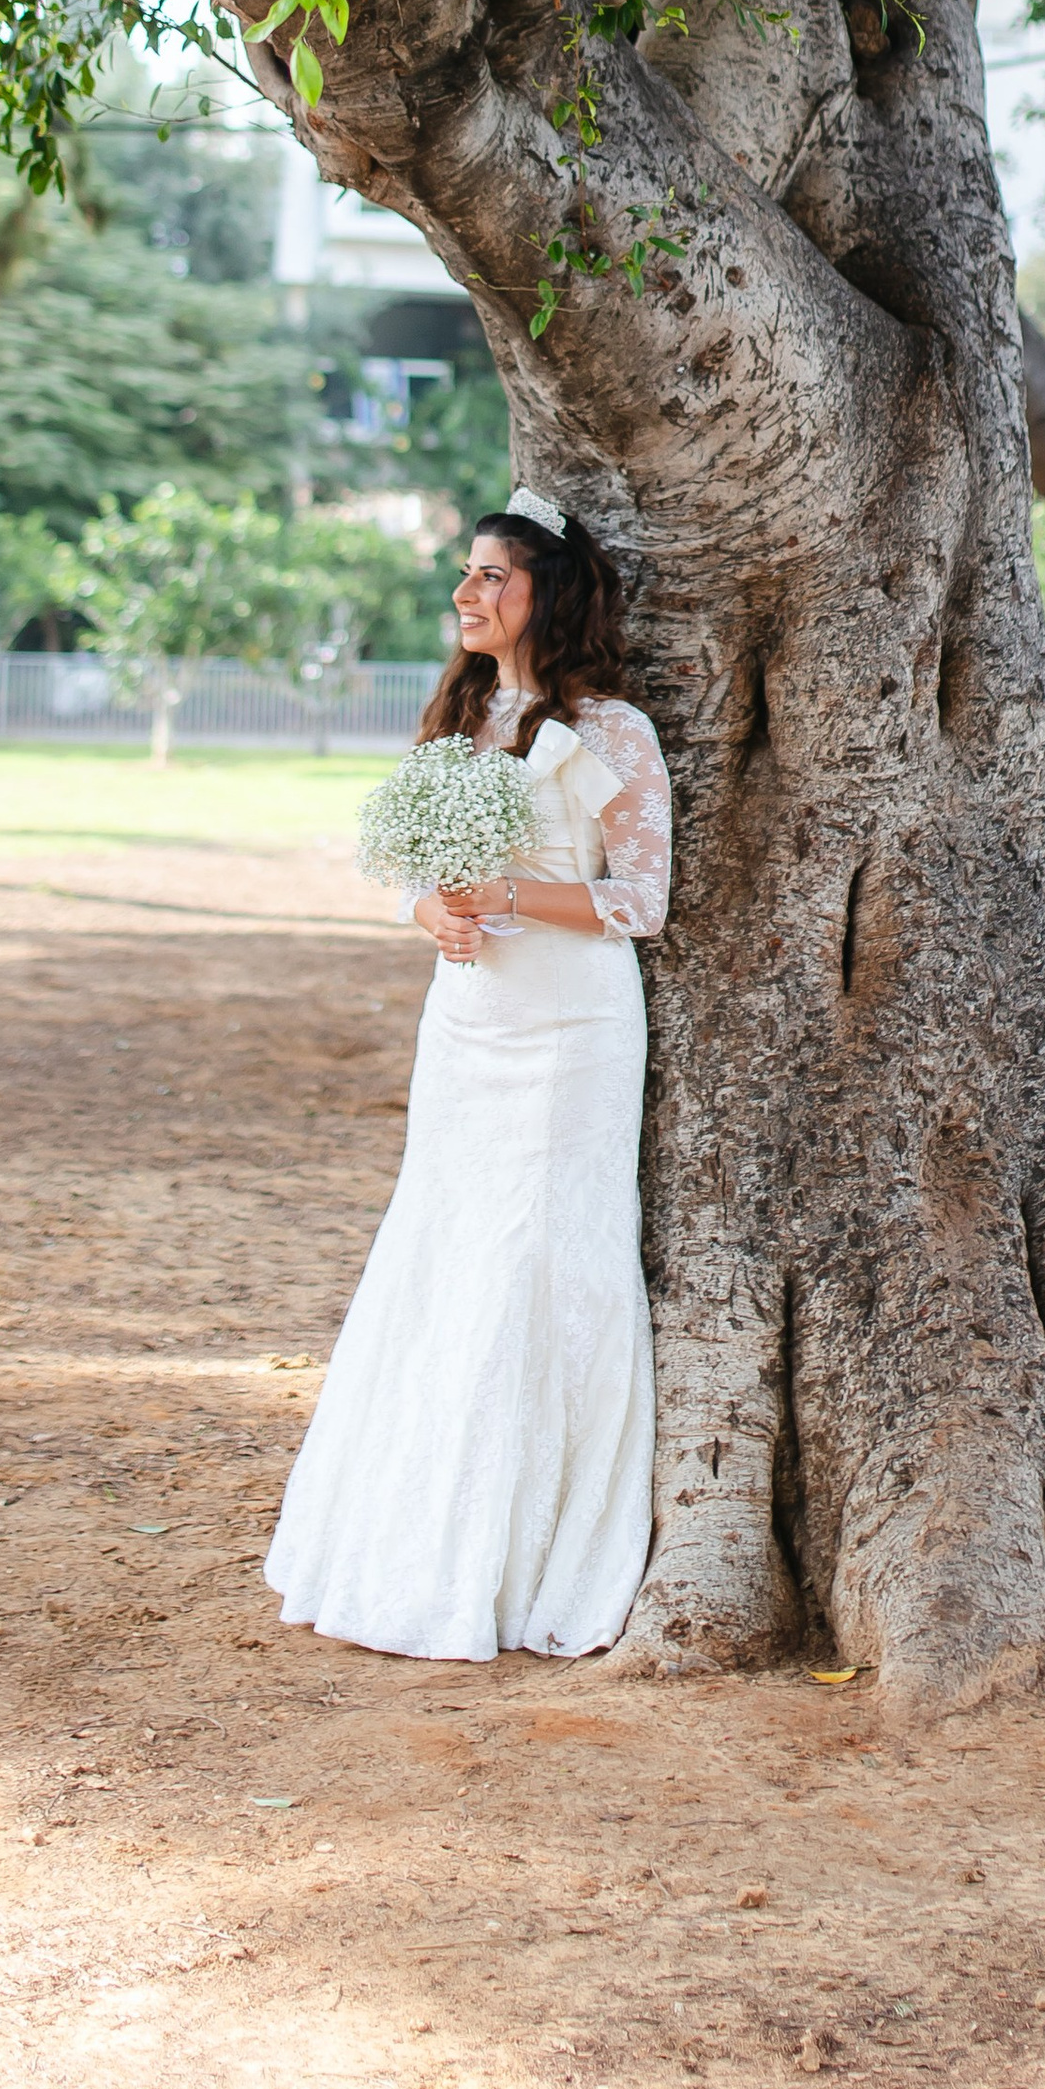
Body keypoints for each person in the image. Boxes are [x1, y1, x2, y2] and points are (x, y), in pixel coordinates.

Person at [263, 485, 672, 1659]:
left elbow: (639, 902)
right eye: (466, 574)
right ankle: (415, 1535)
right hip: (468, 1022)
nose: (467, 593)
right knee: (447, 1245)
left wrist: (502, 896)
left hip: (570, 1034)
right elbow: (416, 869)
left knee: (541, 1255)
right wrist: (433, 913)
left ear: (549, 594)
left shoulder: (608, 734)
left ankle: (527, 1555)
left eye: (492, 576)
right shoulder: (461, 717)